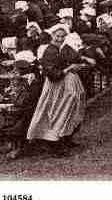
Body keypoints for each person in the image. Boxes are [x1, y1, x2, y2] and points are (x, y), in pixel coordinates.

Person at [27, 24, 88, 156]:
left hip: (67, 84)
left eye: (62, 36)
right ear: (52, 36)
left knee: (72, 109)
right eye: (57, 36)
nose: (60, 38)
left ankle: (66, 137)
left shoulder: (63, 48)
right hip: (56, 87)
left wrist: (77, 63)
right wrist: (68, 68)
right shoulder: (50, 50)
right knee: (58, 113)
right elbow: (52, 74)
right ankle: (53, 143)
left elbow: (74, 58)